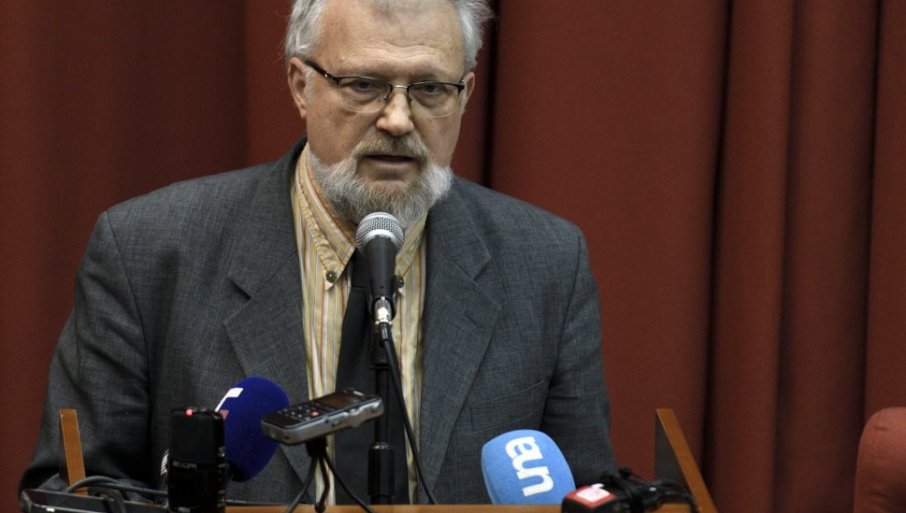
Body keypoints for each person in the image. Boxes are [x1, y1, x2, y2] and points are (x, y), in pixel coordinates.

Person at [21, 0, 616, 505]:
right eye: (364, 85)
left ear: (466, 94)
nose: (398, 119)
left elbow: (588, 492)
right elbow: (72, 492)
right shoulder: (148, 251)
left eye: (431, 89)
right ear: (300, 85)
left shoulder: (546, 263)